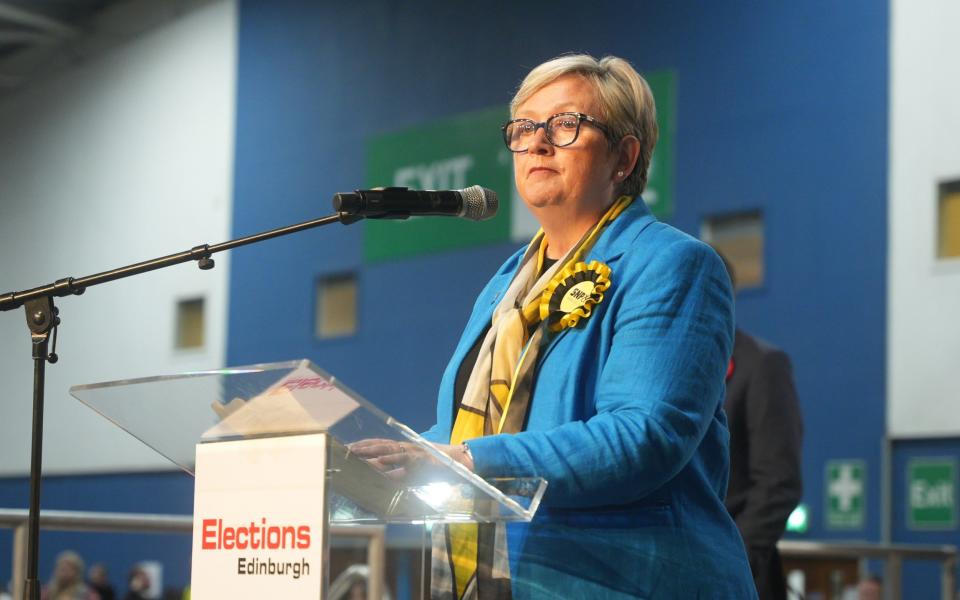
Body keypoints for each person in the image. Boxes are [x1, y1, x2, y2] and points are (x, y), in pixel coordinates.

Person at [354, 53, 755, 598]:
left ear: (624, 156)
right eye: (524, 128)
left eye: (566, 125)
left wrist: (468, 461)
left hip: (629, 581)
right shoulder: (507, 284)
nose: (537, 142)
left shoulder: (671, 263)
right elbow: (465, 434)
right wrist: (356, 460)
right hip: (505, 578)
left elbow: (645, 435)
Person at [720, 259, 804, 600]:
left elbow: (778, 482)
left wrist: (729, 559)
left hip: (737, 575)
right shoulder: (664, 365)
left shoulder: (762, 364)